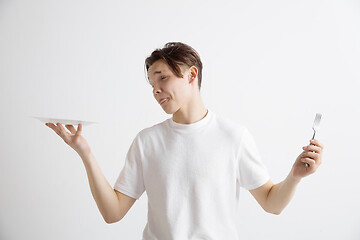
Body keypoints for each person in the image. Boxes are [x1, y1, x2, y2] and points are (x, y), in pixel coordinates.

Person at [45, 42, 324, 239]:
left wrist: (295, 176)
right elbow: (112, 213)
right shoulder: (147, 141)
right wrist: (85, 153)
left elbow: (271, 204)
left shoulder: (233, 137)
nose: (156, 90)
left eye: (162, 78)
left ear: (192, 75)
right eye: (152, 84)